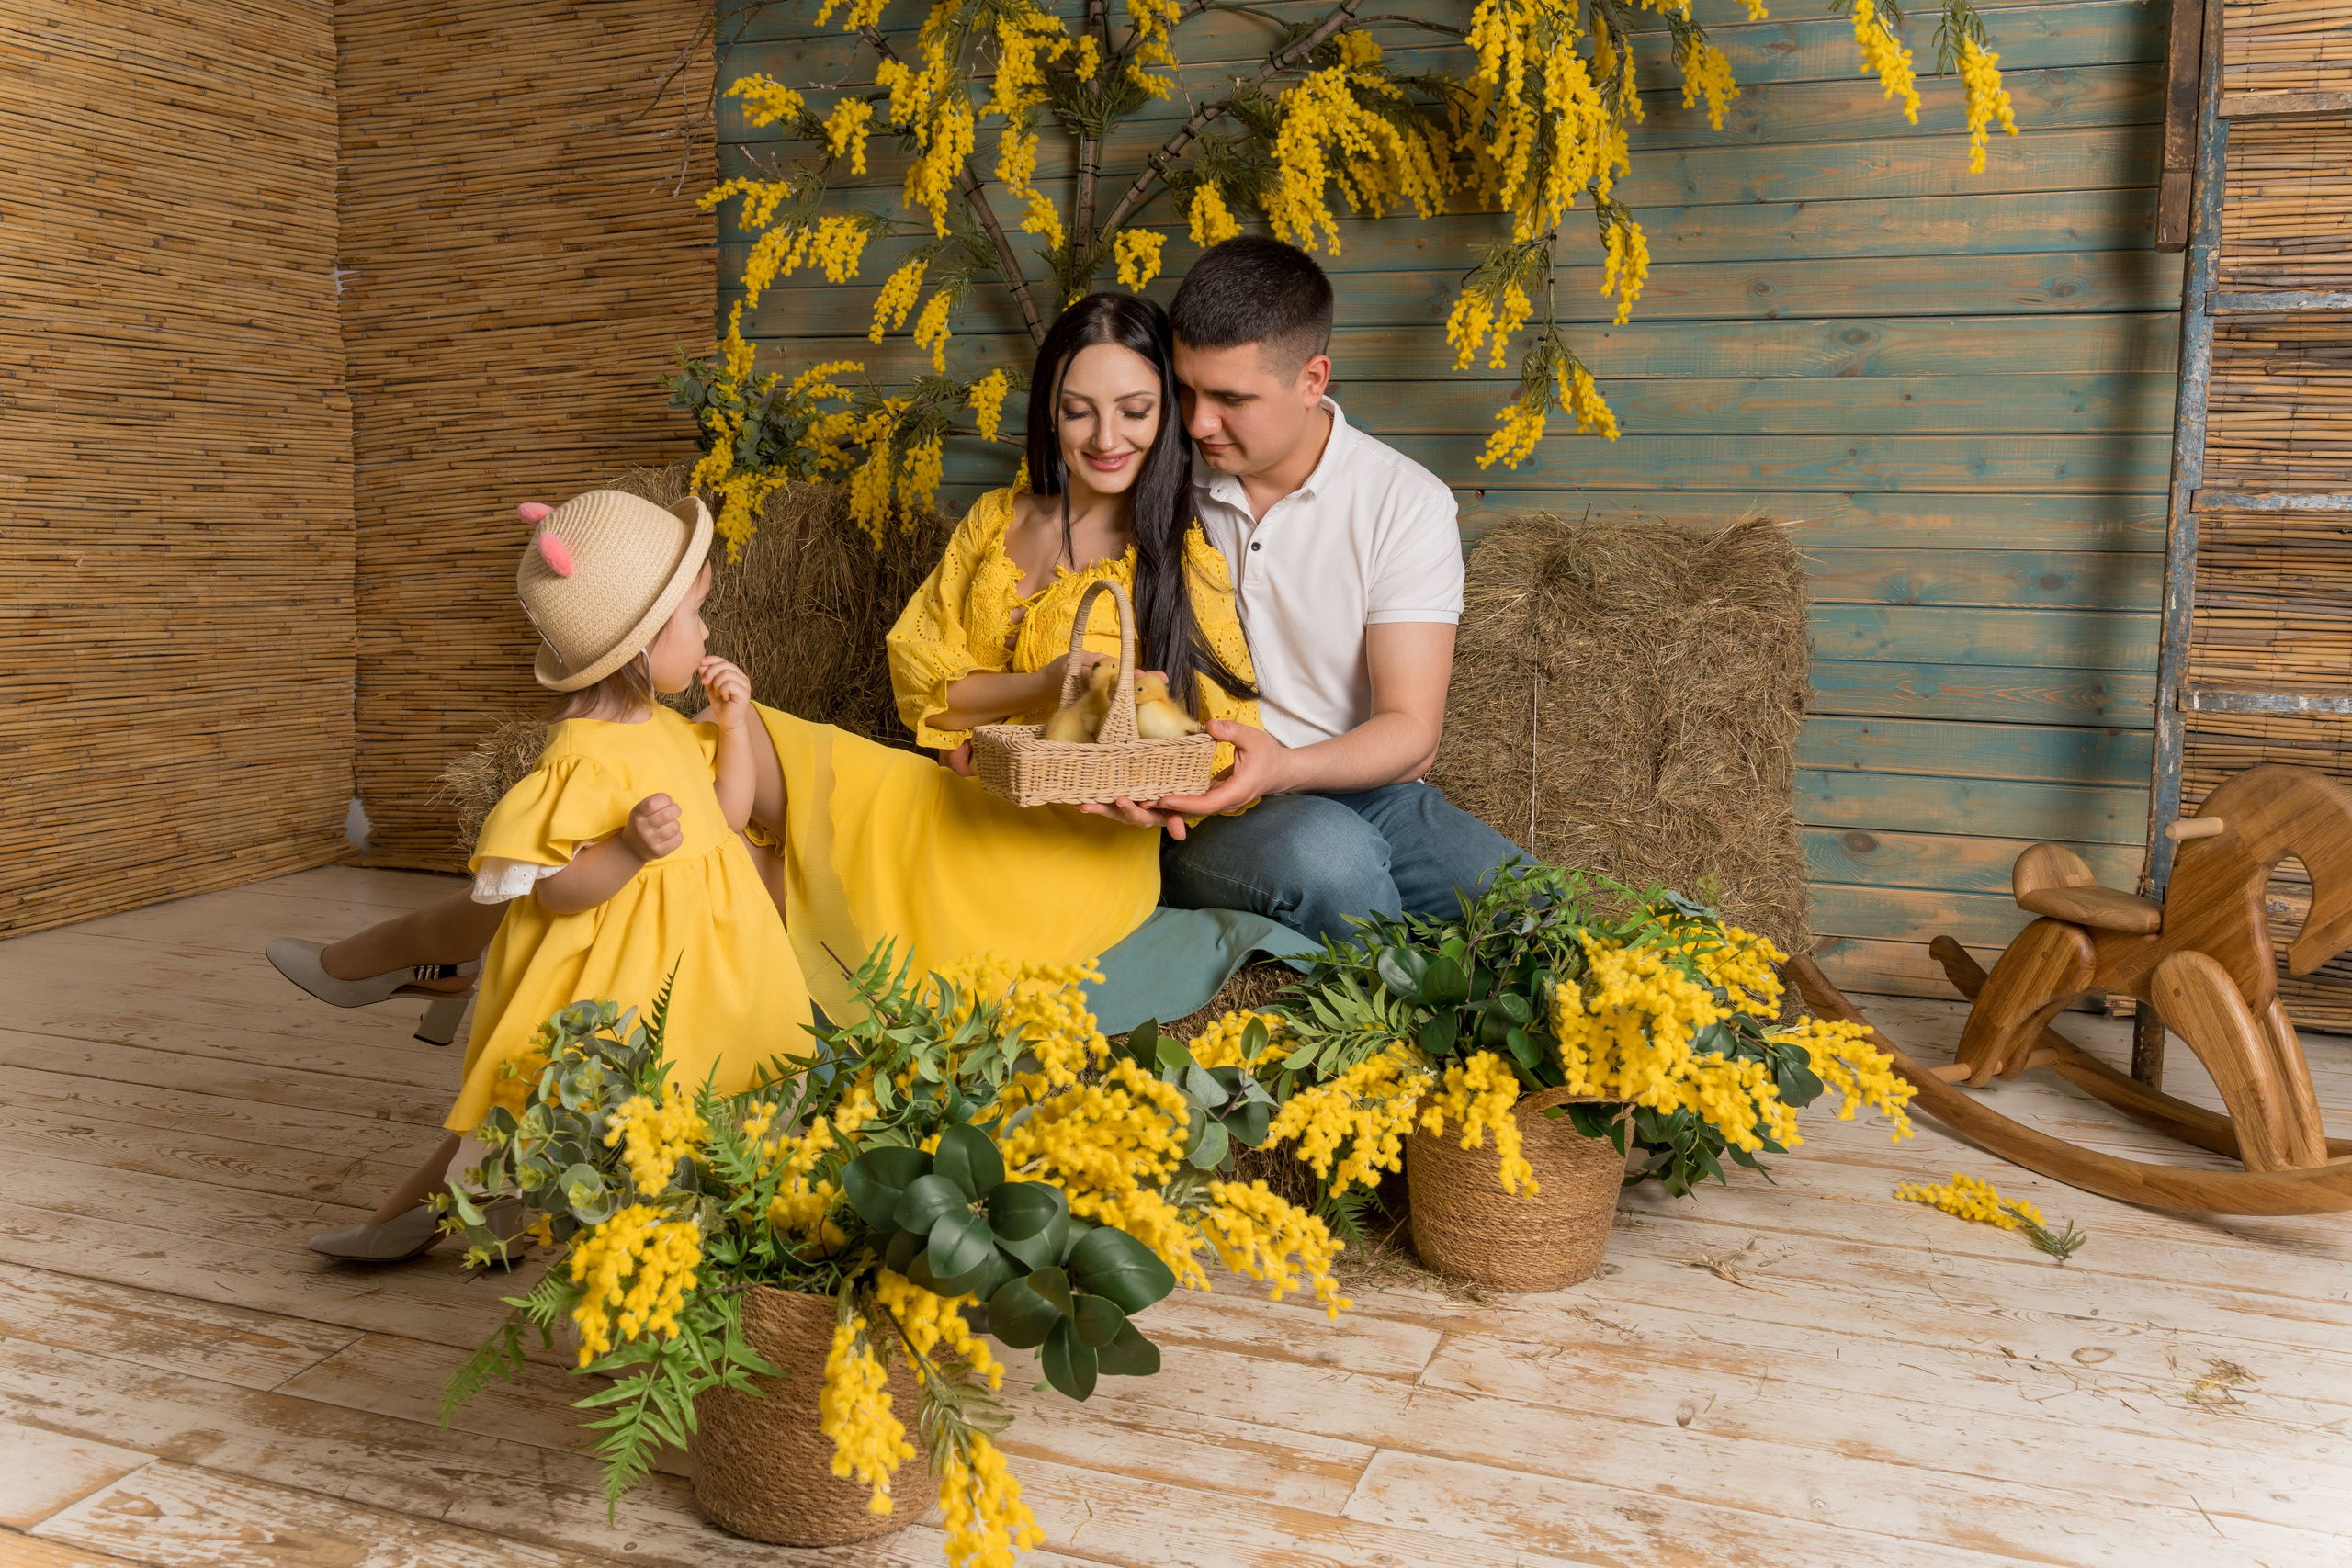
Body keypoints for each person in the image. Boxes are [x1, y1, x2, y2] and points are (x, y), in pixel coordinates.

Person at [277, 489, 812, 1258]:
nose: (707, 631)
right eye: (695, 616)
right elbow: (556, 890)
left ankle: (573, 1229)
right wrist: (629, 849)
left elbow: (728, 816)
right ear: (638, 644)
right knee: (536, 1112)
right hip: (624, 982)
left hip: (709, 970)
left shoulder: (668, 727)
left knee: (694, 1103)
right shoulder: (581, 759)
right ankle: (409, 1217)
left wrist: (734, 725)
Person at [1118, 236, 1524, 942]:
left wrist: (1284, 767)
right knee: (1336, 862)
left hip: (1360, 785)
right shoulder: (1154, 476)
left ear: (1313, 380)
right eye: (1185, 389)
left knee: (1527, 901)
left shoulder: (1405, 502)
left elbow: (1411, 734)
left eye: (1231, 398)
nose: (1196, 422)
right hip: (1208, 797)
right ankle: (1401, 1034)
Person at [888, 291, 1260, 773]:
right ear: (1048, 410)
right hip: (966, 798)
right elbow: (925, 689)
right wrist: (1047, 682)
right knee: (775, 738)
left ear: (1168, 414)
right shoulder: (995, 519)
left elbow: (1223, 743)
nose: (1106, 439)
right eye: (1079, 412)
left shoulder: (1182, 558)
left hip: (1084, 825)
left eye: (1134, 411)